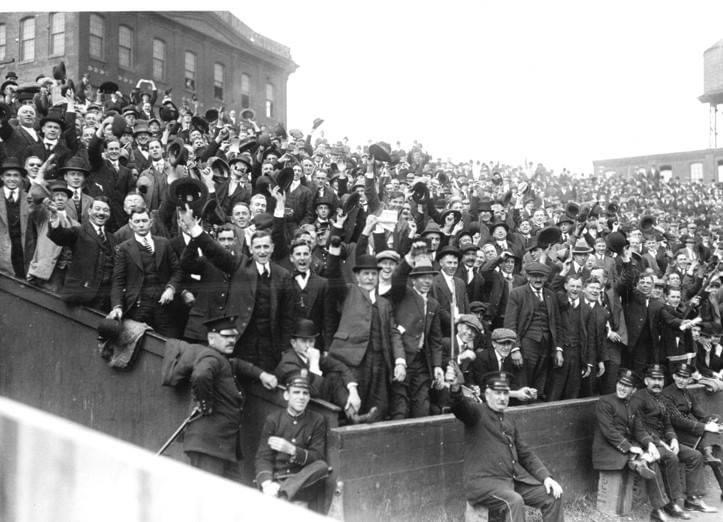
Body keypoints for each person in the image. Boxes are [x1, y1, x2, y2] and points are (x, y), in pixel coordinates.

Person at [447, 368, 564, 521]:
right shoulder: (476, 412)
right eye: (497, 393)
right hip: (483, 484)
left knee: (553, 496)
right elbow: (460, 407)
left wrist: (546, 478)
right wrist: (455, 389)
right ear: (487, 394)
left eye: (505, 393)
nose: (502, 398)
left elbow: (525, 453)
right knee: (514, 501)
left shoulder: (508, 421)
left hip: (509, 482)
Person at [184, 315, 278, 479]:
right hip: (209, 447)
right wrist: (205, 403)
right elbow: (200, 375)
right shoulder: (210, 357)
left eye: (234, 336)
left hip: (221, 447)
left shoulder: (222, 360)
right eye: (226, 336)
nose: (232, 340)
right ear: (211, 338)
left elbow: (238, 365)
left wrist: (261, 374)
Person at [630, 364, 714, 517]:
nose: (658, 383)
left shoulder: (662, 398)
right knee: (671, 457)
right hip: (647, 443)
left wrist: (674, 439)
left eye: (660, 379)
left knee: (695, 456)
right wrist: (660, 442)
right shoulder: (638, 398)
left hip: (665, 442)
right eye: (653, 379)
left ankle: (693, 499)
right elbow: (638, 426)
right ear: (646, 380)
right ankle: (673, 503)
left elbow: (668, 424)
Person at [592, 368, 671, 522]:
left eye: (627, 386)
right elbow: (609, 432)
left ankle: (641, 462)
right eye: (620, 383)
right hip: (608, 448)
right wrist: (629, 447)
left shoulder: (631, 404)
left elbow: (639, 429)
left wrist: (649, 444)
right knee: (648, 460)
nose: (622, 388)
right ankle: (638, 462)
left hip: (624, 447)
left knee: (654, 455)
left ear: (633, 390)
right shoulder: (605, 402)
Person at [255, 371, 329, 512]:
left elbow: (317, 456)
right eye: (296, 392)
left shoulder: (317, 420)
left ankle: (282, 496)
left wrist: (292, 450)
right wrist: (266, 483)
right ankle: (279, 493)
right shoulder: (273, 420)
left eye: (305, 393)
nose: (301, 397)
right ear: (286, 395)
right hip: (276, 481)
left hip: (302, 483)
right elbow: (263, 457)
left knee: (322, 466)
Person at [108, 208, 182, 336]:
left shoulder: (164, 243)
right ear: (131, 224)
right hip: (138, 305)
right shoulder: (124, 248)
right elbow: (118, 281)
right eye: (137, 221)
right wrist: (117, 307)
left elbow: (177, 270)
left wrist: (171, 289)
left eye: (144, 220)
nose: (141, 224)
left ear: (151, 222)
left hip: (165, 304)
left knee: (170, 343)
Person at [388, 251, 444, 419]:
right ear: (413, 280)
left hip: (421, 363)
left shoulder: (433, 304)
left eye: (430, 277)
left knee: (422, 408)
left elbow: (435, 339)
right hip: (401, 360)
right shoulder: (402, 294)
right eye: (422, 277)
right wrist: (408, 259)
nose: (427, 281)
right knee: (401, 408)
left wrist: (437, 366)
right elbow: (397, 279)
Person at [274, 319, 364, 420]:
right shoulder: (288, 363)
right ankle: (353, 418)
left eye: (311, 341)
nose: (308, 346)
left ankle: (353, 415)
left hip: (315, 402)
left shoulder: (311, 355)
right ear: (293, 343)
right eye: (303, 341)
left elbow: (341, 367)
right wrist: (314, 363)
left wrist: (353, 391)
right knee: (333, 379)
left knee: (334, 376)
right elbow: (313, 391)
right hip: (302, 406)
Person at [662, 363, 723, 501]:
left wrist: (714, 423)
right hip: (675, 433)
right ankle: (707, 452)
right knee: (713, 446)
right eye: (679, 376)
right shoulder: (666, 394)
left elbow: (699, 413)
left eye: (685, 377)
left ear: (690, 379)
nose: (682, 380)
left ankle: (709, 453)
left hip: (689, 430)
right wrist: (705, 427)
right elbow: (677, 420)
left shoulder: (687, 392)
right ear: (673, 376)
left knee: (717, 444)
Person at [504, 261, 564, 401]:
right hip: (526, 345)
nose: (538, 280)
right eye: (534, 276)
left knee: (540, 385)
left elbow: (557, 324)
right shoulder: (517, 294)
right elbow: (510, 323)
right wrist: (515, 349)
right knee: (523, 382)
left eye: (541, 276)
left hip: (546, 346)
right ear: (528, 277)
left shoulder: (550, 295)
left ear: (546, 278)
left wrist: (558, 349)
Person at [47, 195, 116, 309]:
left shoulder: (112, 239)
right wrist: (54, 216)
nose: (101, 213)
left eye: (105, 210)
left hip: (102, 299)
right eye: (97, 209)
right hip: (79, 296)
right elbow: (59, 236)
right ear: (89, 211)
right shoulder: (79, 231)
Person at [0, 157, 32, 277]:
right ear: (2, 177)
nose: (12, 179)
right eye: (8, 175)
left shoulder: (29, 198)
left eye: (16, 175)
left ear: (21, 178)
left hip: (23, 252)